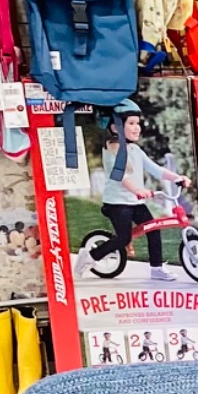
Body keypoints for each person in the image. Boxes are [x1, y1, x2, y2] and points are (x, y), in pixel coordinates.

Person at [74, 101, 188, 282]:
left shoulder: (135, 149)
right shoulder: (111, 150)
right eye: (131, 123)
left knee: (153, 230)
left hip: (136, 202)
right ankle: (91, 256)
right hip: (118, 203)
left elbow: (155, 169)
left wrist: (177, 178)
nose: (137, 128)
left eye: (138, 123)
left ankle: (157, 268)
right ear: (116, 128)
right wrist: (138, 190)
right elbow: (121, 176)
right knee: (123, 238)